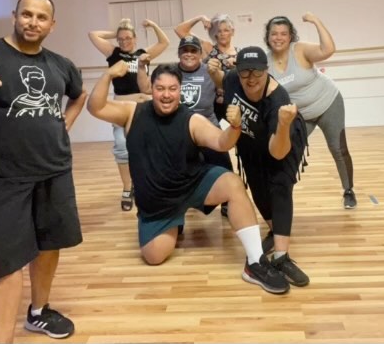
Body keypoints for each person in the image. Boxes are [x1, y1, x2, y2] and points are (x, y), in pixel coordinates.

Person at [87, 61, 290, 294]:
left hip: (191, 185)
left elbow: (221, 143)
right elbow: (95, 107)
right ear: (151, 89)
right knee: (154, 257)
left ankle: (255, 262)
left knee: (232, 184)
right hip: (158, 203)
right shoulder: (132, 112)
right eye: (160, 88)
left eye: (172, 89)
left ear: (180, 90)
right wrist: (108, 75)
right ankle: (176, 220)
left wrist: (235, 127)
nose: (166, 95)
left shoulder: (191, 120)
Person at [0, 0, 87, 344]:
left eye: (41, 17)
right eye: (26, 14)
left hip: (54, 170)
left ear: (52, 24)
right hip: (3, 179)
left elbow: (79, 94)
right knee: (7, 263)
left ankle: (39, 312)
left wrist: (65, 123)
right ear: (14, 16)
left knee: (49, 245)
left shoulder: (60, 64)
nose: (33, 22)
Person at [212, 46, 310, 287]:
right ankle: (276, 230)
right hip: (250, 137)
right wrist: (214, 74)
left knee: (279, 184)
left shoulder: (278, 99)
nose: (251, 78)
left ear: (266, 71)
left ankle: (281, 256)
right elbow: (223, 81)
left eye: (257, 72)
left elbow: (278, 152)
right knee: (256, 184)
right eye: (245, 72)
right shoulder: (233, 79)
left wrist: (284, 125)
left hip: (282, 138)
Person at [264, 13, 356, 208]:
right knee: (289, 152)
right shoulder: (266, 63)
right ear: (268, 36)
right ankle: (283, 194)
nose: (278, 38)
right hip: (300, 115)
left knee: (338, 148)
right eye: (274, 34)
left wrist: (316, 21)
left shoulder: (299, 50)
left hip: (328, 102)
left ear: (290, 36)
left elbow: (328, 49)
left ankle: (348, 190)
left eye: (283, 34)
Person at [88, 17, 169, 211]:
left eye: (128, 38)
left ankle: (152, 184)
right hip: (122, 107)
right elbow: (93, 35)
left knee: (152, 147)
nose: (124, 42)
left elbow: (164, 42)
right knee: (122, 146)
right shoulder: (113, 53)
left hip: (145, 106)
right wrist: (116, 32)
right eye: (121, 39)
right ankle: (127, 187)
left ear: (135, 38)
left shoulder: (143, 54)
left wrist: (153, 25)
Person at [176, 33, 233, 216]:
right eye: (185, 50)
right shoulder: (171, 72)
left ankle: (227, 201)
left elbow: (226, 87)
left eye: (193, 50)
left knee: (223, 165)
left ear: (200, 54)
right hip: (180, 127)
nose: (189, 54)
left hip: (208, 125)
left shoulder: (209, 71)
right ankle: (178, 205)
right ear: (179, 53)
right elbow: (148, 89)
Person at [175, 12, 238, 116]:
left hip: (234, 104)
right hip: (211, 104)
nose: (222, 34)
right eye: (219, 31)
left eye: (226, 30)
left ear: (232, 32)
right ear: (214, 33)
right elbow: (179, 30)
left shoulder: (239, 54)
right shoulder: (208, 48)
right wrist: (200, 18)